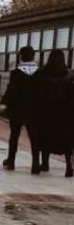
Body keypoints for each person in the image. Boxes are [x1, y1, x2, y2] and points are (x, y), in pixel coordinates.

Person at [0, 45, 40, 172]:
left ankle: (11, 161)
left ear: (21, 57)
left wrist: (4, 103)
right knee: (34, 136)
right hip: (34, 109)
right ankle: (35, 164)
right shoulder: (39, 73)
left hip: (17, 109)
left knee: (14, 135)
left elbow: (11, 90)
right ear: (33, 57)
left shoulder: (16, 73)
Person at [35, 48, 74, 178]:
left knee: (45, 137)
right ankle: (69, 166)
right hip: (65, 113)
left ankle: (45, 163)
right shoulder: (69, 75)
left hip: (47, 112)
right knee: (67, 140)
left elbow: (39, 94)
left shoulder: (43, 74)